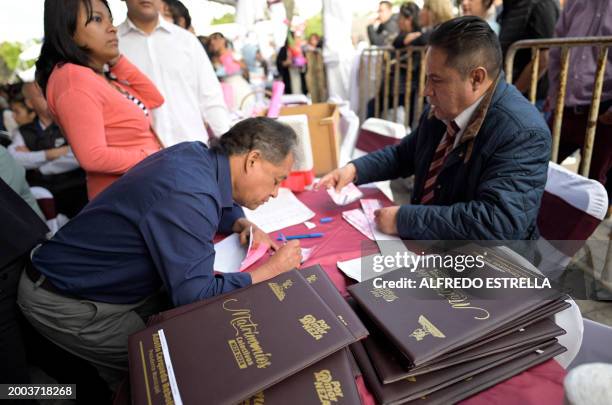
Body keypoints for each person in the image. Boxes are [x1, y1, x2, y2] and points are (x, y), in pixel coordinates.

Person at [18, 117, 302, 387]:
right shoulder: (189, 193)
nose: (276, 192)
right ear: (252, 160)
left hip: (100, 281)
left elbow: (215, 197)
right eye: (277, 180)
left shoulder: (196, 156)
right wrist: (271, 270)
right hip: (67, 299)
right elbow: (195, 295)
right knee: (165, 373)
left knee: (197, 337)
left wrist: (237, 220)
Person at [317, 17, 551, 240]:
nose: (426, 91)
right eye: (427, 79)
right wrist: (354, 170)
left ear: (476, 78)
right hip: (435, 246)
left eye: (436, 80)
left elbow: (499, 223)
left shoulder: (523, 133)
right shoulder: (445, 109)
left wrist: (404, 219)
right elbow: (404, 154)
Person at [36, 0, 164, 200]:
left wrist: (117, 61)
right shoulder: (73, 79)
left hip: (145, 188)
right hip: (127, 199)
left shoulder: (97, 76)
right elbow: (93, 157)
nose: (112, 28)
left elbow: (154, 98)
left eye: (110, 20)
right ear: (68, 31)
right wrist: (154, 157)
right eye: (97, 19)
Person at [118, 0, 231, 145]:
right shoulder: (112, 44)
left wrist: (229, 145)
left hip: (192, 151)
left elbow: (211, 98)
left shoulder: (187, 41)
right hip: (138, 158)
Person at [547, 0, 612, 217]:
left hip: (604, 111)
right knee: (536, 164)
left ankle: (575, 244)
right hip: (566, 105)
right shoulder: (576, 2)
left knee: (594, 189)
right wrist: (555, 93)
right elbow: (557, 48)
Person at [8, 82, 88, 218]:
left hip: (77, 190)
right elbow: (15, 159)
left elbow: (80, 155)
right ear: (30, 103)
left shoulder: (71, 121)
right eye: (41, 94)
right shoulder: (22, 132)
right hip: (43, 196)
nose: (49, 96)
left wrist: (39, 167)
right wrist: (51, 154)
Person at [498, 0, 560, 107]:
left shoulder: (542, 4)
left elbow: (543, 59)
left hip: (531, 100)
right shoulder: (511, 5)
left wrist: (513, 95)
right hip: (512, 95)